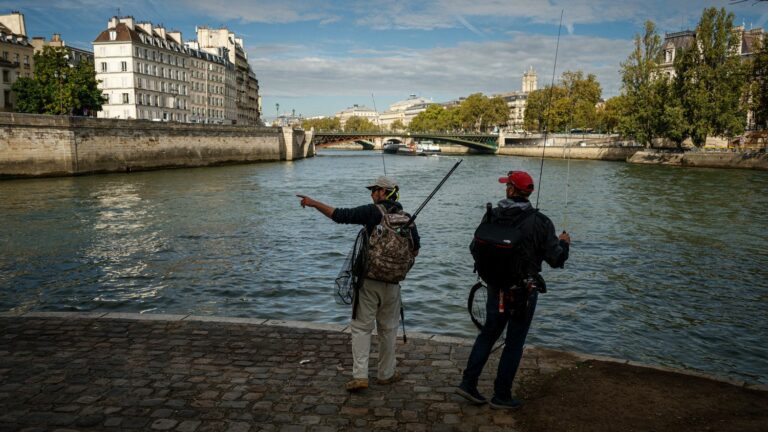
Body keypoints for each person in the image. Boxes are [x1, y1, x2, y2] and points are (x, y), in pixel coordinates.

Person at [456, 170, 570, 409]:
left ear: (510, 190)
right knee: (514, 342)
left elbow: (473, 247)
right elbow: (556, 260)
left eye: (506, 185)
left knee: (488, 333)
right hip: (523, 291)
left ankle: (468, 383)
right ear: (528, 193)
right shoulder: (541, 222)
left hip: (495, 286)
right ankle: (502, 395)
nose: (505, 188)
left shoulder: (491, 215)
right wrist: (564, 243)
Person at [297, 176, 420, 392]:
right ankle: (386, 374)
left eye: (374, 190)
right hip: (393, 284)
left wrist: (313, 202)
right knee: (389, 329)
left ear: (383, 192)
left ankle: (361, 376)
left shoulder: (373, 212)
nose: (371, 194)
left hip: (368, 281)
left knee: (362, 328)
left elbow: (340, 215)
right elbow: (415, 250)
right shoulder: (407, 218)